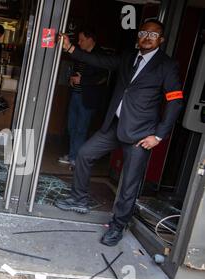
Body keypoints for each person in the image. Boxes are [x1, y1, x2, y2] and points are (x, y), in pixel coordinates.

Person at [55, 19, 184, 246]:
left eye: (152, 35)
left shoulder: (167, 65)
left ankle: (117, 226)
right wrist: (71, 48)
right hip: (115, 125)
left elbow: (175, 103)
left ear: (161, 40)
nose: (146, 37)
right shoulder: (128, 57)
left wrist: (159, 135)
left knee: (129, 184)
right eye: (143, 32)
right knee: (85, 154)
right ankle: (79, 199)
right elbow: (101, 60)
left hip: (142, 134)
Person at [58, 28, 108, 168]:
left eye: (81, 40)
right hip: (76, 94)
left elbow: (102, 77)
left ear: (90, 39)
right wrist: (73, 79)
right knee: (71, 126)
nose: (79, 43)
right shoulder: (81, 54)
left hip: (88, 98)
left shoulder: (100, 55)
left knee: (81, 128)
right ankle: (72, 154)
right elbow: (77, 71)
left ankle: (75, 158)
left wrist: (82, 80)